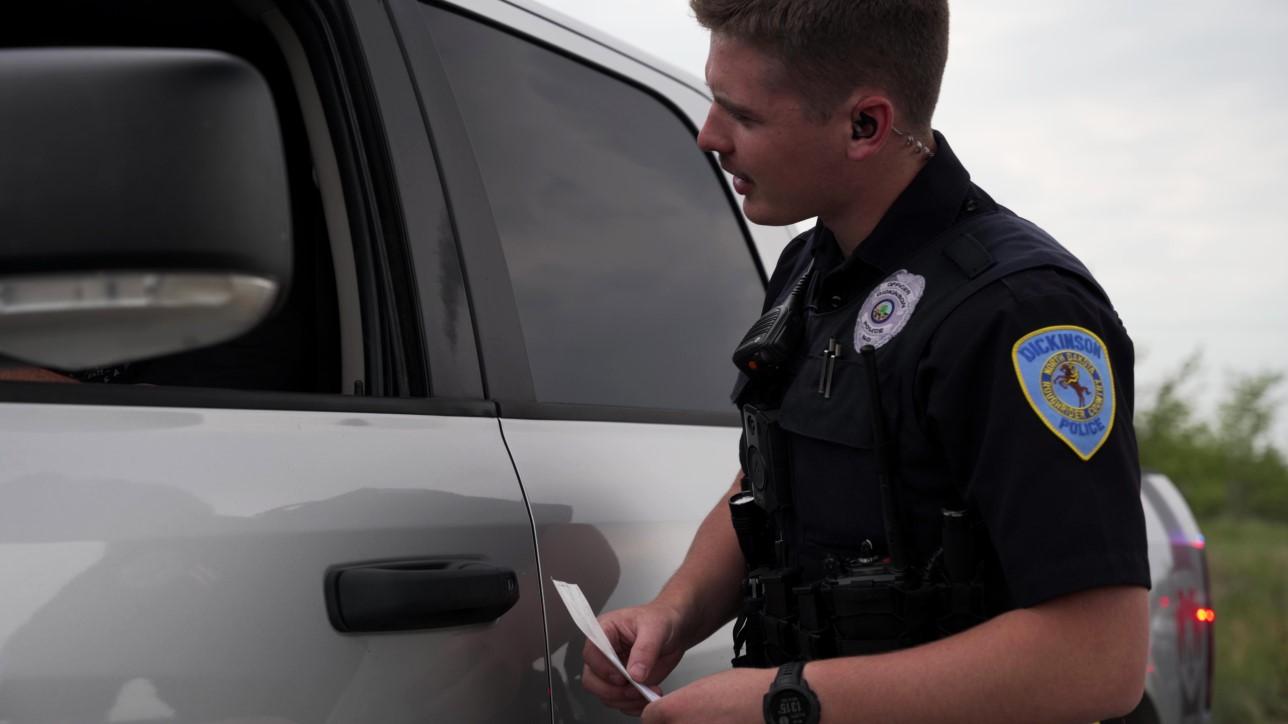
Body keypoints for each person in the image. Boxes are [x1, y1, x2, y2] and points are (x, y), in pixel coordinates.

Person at [581, 1, 1151, 723]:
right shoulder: (810, 266)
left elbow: (1099, 657)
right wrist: (675, 611)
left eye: (743, 115)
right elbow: (773, 476)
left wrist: (785, 702)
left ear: (865, 126)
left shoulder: (1017, 311)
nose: (709, 136)